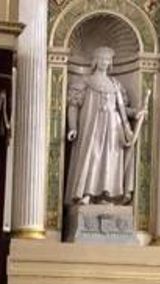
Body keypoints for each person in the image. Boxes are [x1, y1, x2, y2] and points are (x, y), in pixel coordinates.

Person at [64, 46, 144, 205]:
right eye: (101, 58)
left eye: (107, 59)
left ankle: (105, 194)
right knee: (92, 156)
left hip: (113, 129)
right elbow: (73, 105)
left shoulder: (115, 85)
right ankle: (86, 192)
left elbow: (121, 109)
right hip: (91, 127)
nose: (104, 62)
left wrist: (136, 113)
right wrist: (72, 127)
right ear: (95, 61)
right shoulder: (85, 82)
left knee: (110, 159)